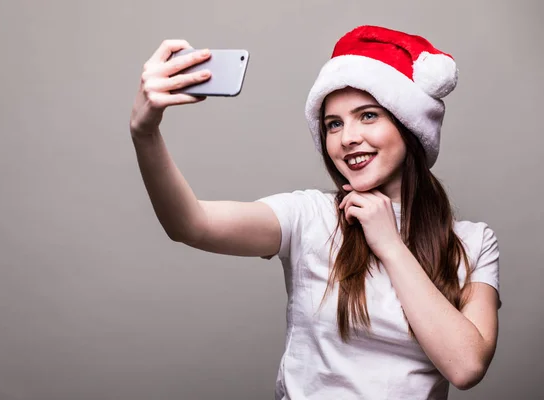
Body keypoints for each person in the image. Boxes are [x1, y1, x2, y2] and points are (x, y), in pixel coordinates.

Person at [129, 25, 500, 400]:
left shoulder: (473, 242)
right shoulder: (309, 216)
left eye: (368, 116)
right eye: (333, 124)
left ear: (409, 124)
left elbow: (466, 366)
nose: (347, 137)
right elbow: (192, 224)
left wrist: (390, 245)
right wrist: (145, 134)